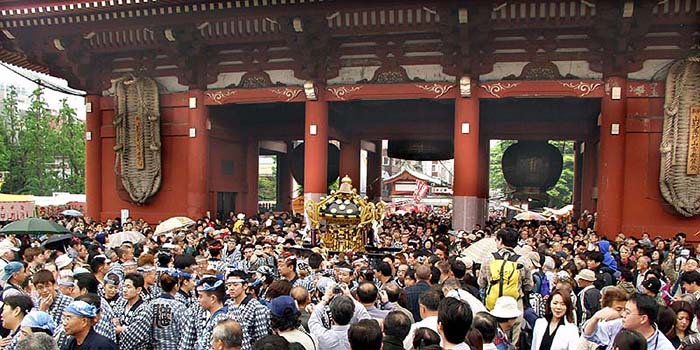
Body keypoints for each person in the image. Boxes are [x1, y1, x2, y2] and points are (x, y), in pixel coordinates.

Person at [118, 271, 190, 350]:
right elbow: (185, 333)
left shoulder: (151, 304)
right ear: (176, 286)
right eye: (124, 286)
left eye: (128, 287)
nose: (124, 290)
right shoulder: (180, 307)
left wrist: (121, 329)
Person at [583, 293, 674, 350]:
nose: (623, 314)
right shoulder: (620, 324)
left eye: (628, 312)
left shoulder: (663, 346)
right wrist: (595, 318)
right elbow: (589, 334)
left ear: (643, 319)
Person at [225, 270, 270, 345]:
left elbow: (261, 337)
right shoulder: (227, 304)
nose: (231, 288)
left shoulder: (256, 306)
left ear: (245, 286)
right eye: (229, 285)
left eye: (235, 285)